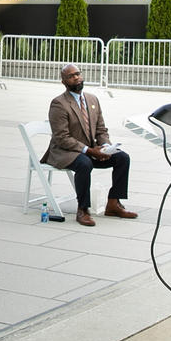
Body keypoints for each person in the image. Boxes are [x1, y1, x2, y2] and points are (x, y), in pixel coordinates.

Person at [42, 63, 133, 227]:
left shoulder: (92, 99)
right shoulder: (59, 104)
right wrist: (89, 150)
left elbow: (101, 129)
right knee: (85, 163)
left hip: (91, 150)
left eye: (78, 74)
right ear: (64, 81)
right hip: (65, 151)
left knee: (122, 158)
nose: (76, 77)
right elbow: (62, 137)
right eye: (71, 76)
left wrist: (106, 147)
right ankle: (82, 210)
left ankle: (114, 204)